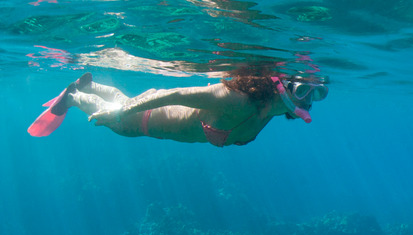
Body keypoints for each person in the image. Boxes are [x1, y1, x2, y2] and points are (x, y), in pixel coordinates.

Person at [28, 68, 328, 147]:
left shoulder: (268, 111)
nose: (308, 101)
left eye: (317, 93)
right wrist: (120, 113)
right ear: (280, 85)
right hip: (143, 119)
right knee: (111, 118)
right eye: (302, 90)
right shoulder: (235, 99)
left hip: (150, 118)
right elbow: (174, 94)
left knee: (119, 102)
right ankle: (74, 96)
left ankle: (90, 86)